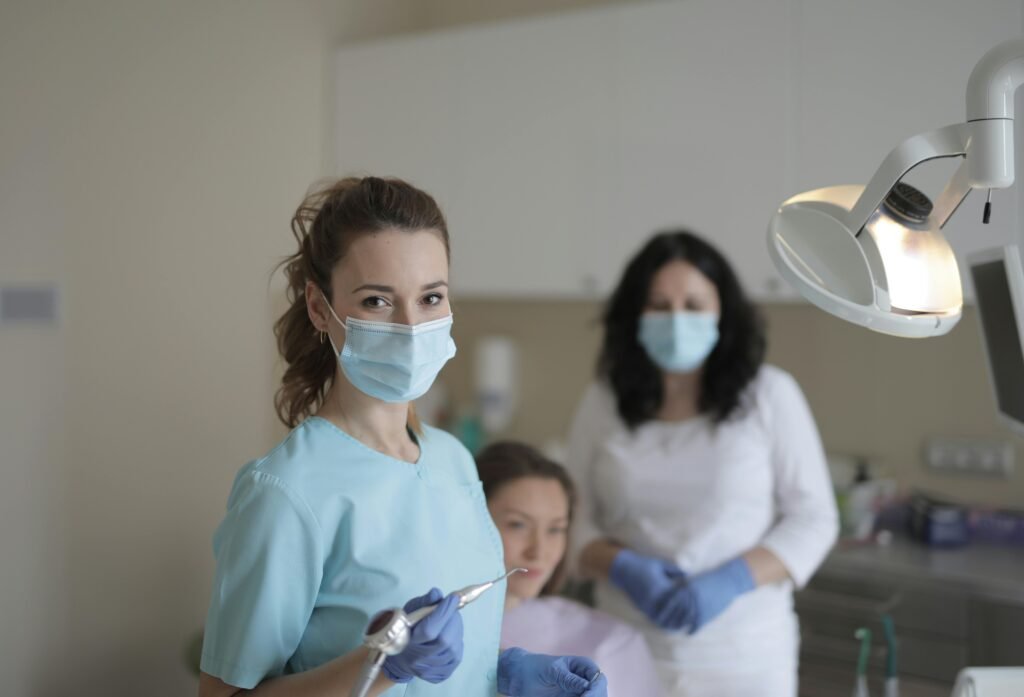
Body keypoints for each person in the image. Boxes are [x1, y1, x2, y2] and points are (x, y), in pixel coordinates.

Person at [198, 176, 608, 697]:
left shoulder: (453, 460)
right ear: (320, 307)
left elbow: (445, 662)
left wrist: (499, 673)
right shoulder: (287, 492)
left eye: (431, 297)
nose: (412, 326)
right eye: (376, 302)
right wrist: (386, 665)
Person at [565, 230, 839, 697]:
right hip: (623, 645)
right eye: (659, 305)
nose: (676, 320)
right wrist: (620, 566)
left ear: (723, 314)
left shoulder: (769, 395)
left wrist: (731, 580)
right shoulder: (603, 402)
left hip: (745, 655)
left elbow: (814, 517)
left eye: (693, 305)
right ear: (633, 315)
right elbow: (571, 517)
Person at [476, 441, 664, 697]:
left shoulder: (611, 642)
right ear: (472, 520)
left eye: (555, 529)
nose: (539, 551)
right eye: (518, 525)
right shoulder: (431, 633)